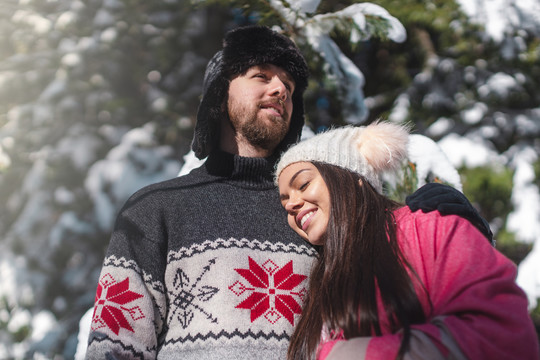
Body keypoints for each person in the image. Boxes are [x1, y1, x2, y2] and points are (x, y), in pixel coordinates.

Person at [85, 25, 493, 359]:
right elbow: (115, 348)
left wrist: (465, 233)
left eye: (289, 86)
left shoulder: (314, 209)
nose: (280, 89)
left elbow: (408, 275)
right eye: (261, 75)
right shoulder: (156, 209)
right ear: (218, 93)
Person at [275, 122, 539, 360]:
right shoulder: (322, 279)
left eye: (303, 184)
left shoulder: (427, 228)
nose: (292, 204)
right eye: (284, 200)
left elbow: (504, 335)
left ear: (353, 177)